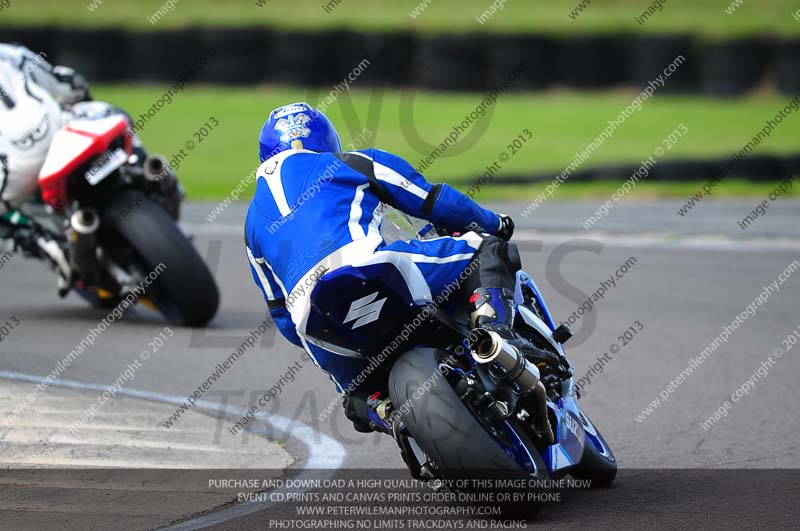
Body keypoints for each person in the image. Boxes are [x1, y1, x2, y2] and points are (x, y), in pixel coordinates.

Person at [245, 102, 551, 432]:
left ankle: (387, 413)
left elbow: (282, 317)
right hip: (371, 269)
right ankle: (494, 336)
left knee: (356, 395)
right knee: (486, 248)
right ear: (328, 140)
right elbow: (434, 201)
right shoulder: (350, 162)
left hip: (313, 317)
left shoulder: (250, 224)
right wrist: (496, 223)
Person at [0, 43, 90, 251]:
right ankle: (150, 176)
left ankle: (44, 243)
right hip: (54, 135)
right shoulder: (9, 54)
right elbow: (69, 83)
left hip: (9, 178)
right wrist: (83, 98)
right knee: (105, 114)